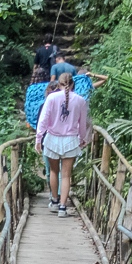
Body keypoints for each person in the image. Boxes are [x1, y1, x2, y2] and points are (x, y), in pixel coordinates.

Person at [35, 72, 91, 218]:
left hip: (52, 139)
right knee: (66, 175)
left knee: (54, 172)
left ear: (58, 84)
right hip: (70, 140)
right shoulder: (80, 100)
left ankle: (54, 200)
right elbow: (82, 123)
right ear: (73, 84)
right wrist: (83, 138)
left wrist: (38, 139)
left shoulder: (51, 97)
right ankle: (62, 207)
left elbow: (43, 120)